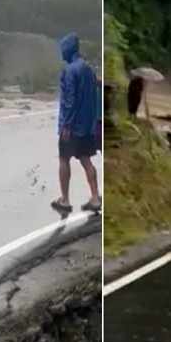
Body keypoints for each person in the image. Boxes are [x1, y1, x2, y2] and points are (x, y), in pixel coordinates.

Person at [54, 32, 102, 215]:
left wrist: (66, 124)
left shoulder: (70, 71)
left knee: (64, 159)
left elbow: (70, 100)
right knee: (86, 160)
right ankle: (95, 197)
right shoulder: (88, 69)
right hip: (87, 125)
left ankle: (65, 200)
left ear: (67, 50)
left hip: (72, 126)